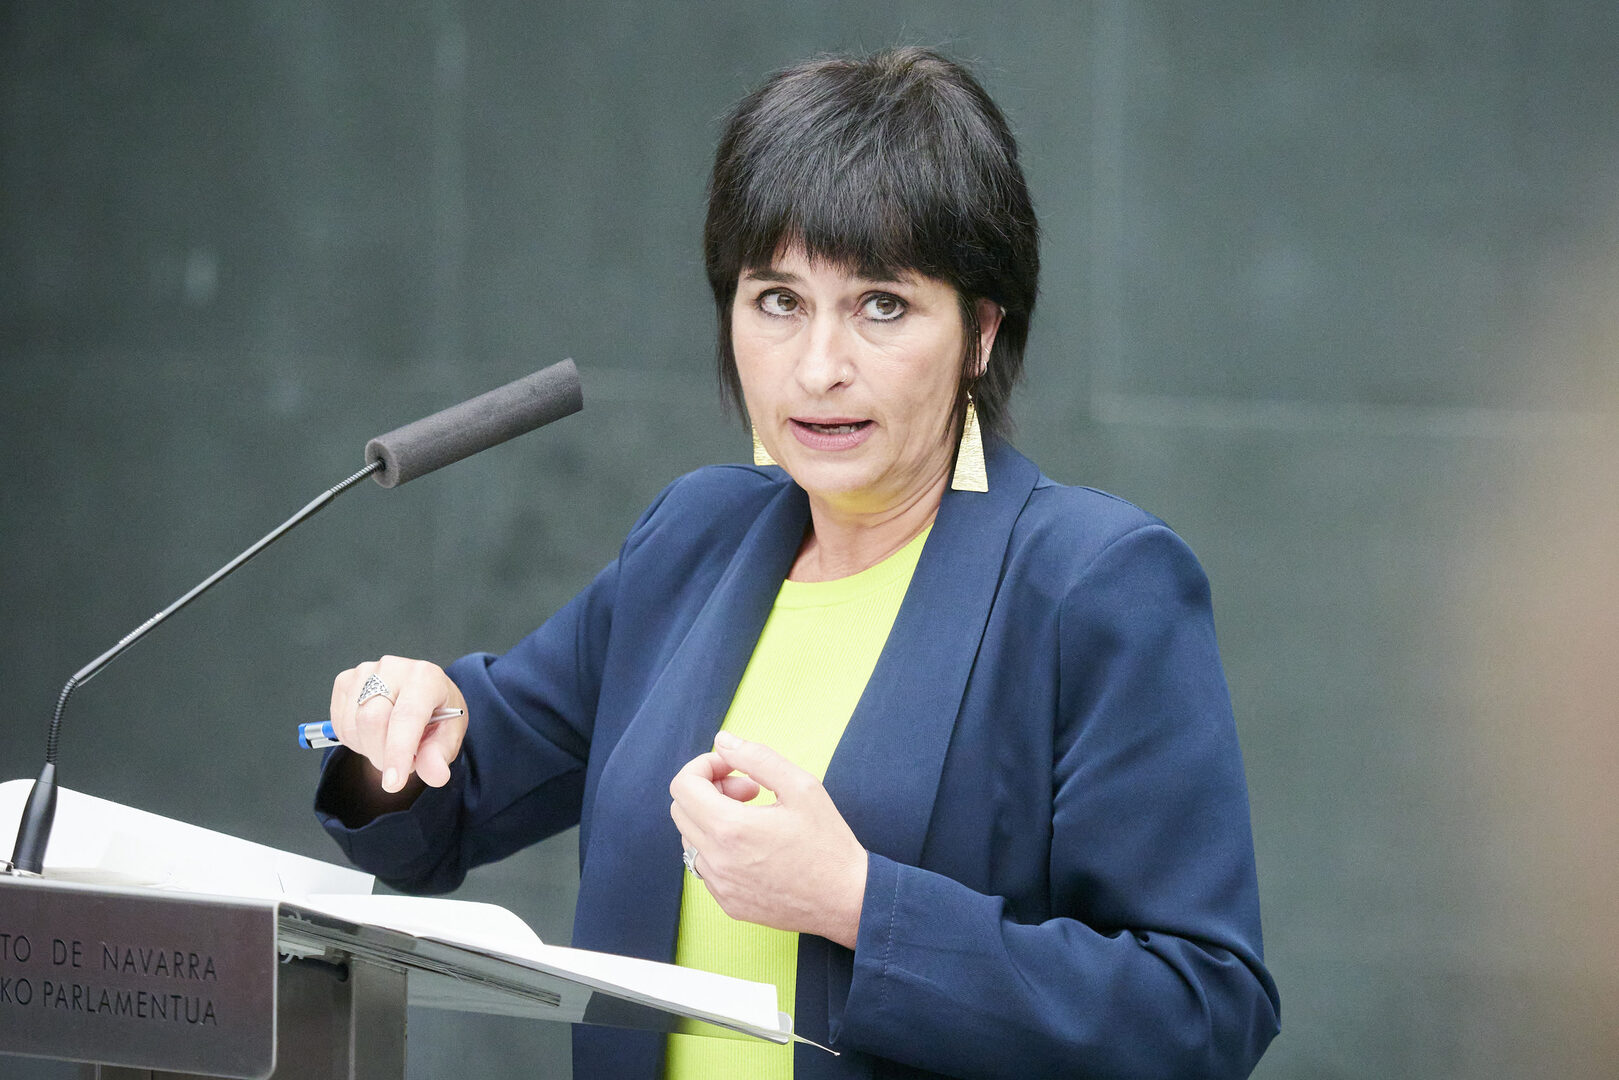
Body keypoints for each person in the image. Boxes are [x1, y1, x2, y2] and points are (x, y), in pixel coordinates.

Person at [315, 47, 1280, 1080]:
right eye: (777, 300)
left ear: (979, 332)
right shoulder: (695, 538)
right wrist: (395, 728)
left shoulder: (1090, 585)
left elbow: (1200, 1011)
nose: (818, 368)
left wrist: (859, 905)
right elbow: (449, 806)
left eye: (881, 305)